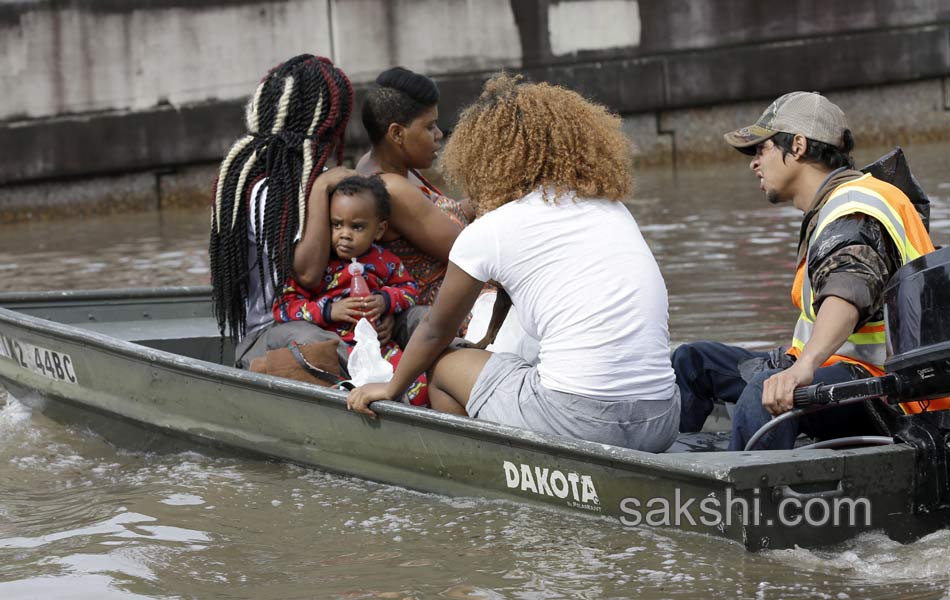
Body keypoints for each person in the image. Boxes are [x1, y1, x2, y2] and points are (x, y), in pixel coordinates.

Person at [346, 74, 680, 452]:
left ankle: (477, 473)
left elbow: (436, 331)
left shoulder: (492, 229)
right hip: (663, 419)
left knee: (441, 366)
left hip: (579, 420)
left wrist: (391, 388)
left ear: (484, 157)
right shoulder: (612, 207)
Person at [672, 91, 941, 451]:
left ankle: (750, 502)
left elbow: (850, 290)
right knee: (693, 361)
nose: (754, 163)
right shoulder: (836, 205)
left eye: (761, 149)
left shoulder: (853, 208)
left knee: (762, 393)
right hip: (844, 371)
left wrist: (803, 368)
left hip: (887, 395)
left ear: (797, 146)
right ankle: (682, 471)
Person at [208, 54, 357, 369]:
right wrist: (318, 192)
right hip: (271, 336)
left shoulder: (321, 176)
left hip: (327, 318)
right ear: (326, 126)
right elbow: (307, 274)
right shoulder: (265, 189)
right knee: (320, 346)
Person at [272, 175, 428, 406]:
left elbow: (410, 289)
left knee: (417, 387)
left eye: (357, 227)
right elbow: (284, 307)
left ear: (379, 230)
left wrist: (386, 301)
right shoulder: (318, 264)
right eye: (336, 224)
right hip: (336, 349)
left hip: (380, 347)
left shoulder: (385, 260)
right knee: (337, 394)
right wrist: (328, 312)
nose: (345, 234)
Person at [356, 66, 475, 304]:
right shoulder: (391, 189)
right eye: (429, 126)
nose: (439, 134)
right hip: (449, 313)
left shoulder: (377, 162)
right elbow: (470, 253)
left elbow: (441, 217)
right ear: (397, 133)